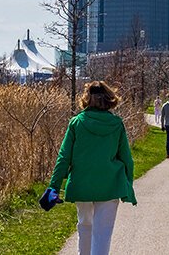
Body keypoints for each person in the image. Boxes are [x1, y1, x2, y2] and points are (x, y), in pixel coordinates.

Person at [47, 82, 137, 255]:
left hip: (82, 183)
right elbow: (126, 158)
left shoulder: (76, 123)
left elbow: (64, 157)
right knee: (102, 233)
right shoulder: (116, 124)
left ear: (86, 98)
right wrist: (128, 186)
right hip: (110, 184)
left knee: (85, 226)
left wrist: (54, 186)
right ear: (109, 98)